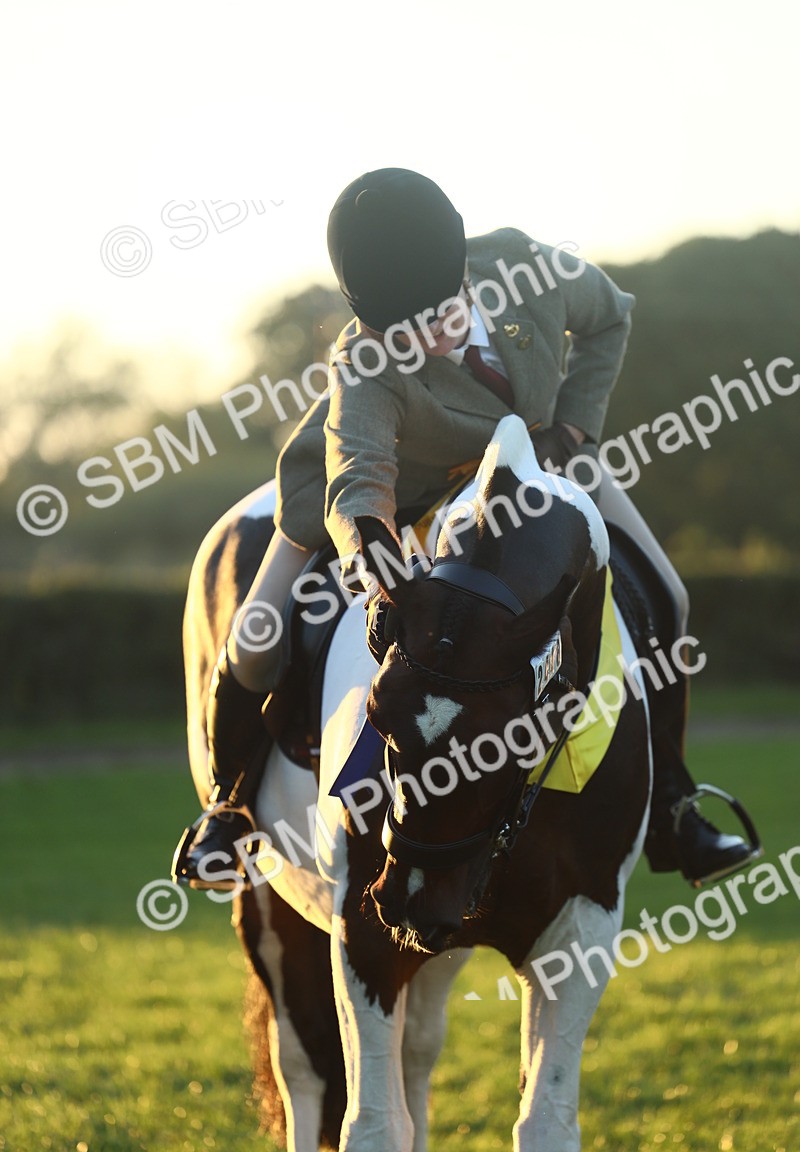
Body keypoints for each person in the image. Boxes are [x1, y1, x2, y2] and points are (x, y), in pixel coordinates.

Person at [177, 167, 755, 889]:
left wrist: (574, 428)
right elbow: (360, 476)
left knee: (668, 594)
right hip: (399, 489)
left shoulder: (522, 266)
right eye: (400, 330)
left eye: (437, 316)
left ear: (462, 272)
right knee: (257, 637)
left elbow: (611, 316)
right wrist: (374, 556)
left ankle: (672, 805)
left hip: (540, 459)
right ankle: (229, 810)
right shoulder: (364, 359)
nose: (423, 341)